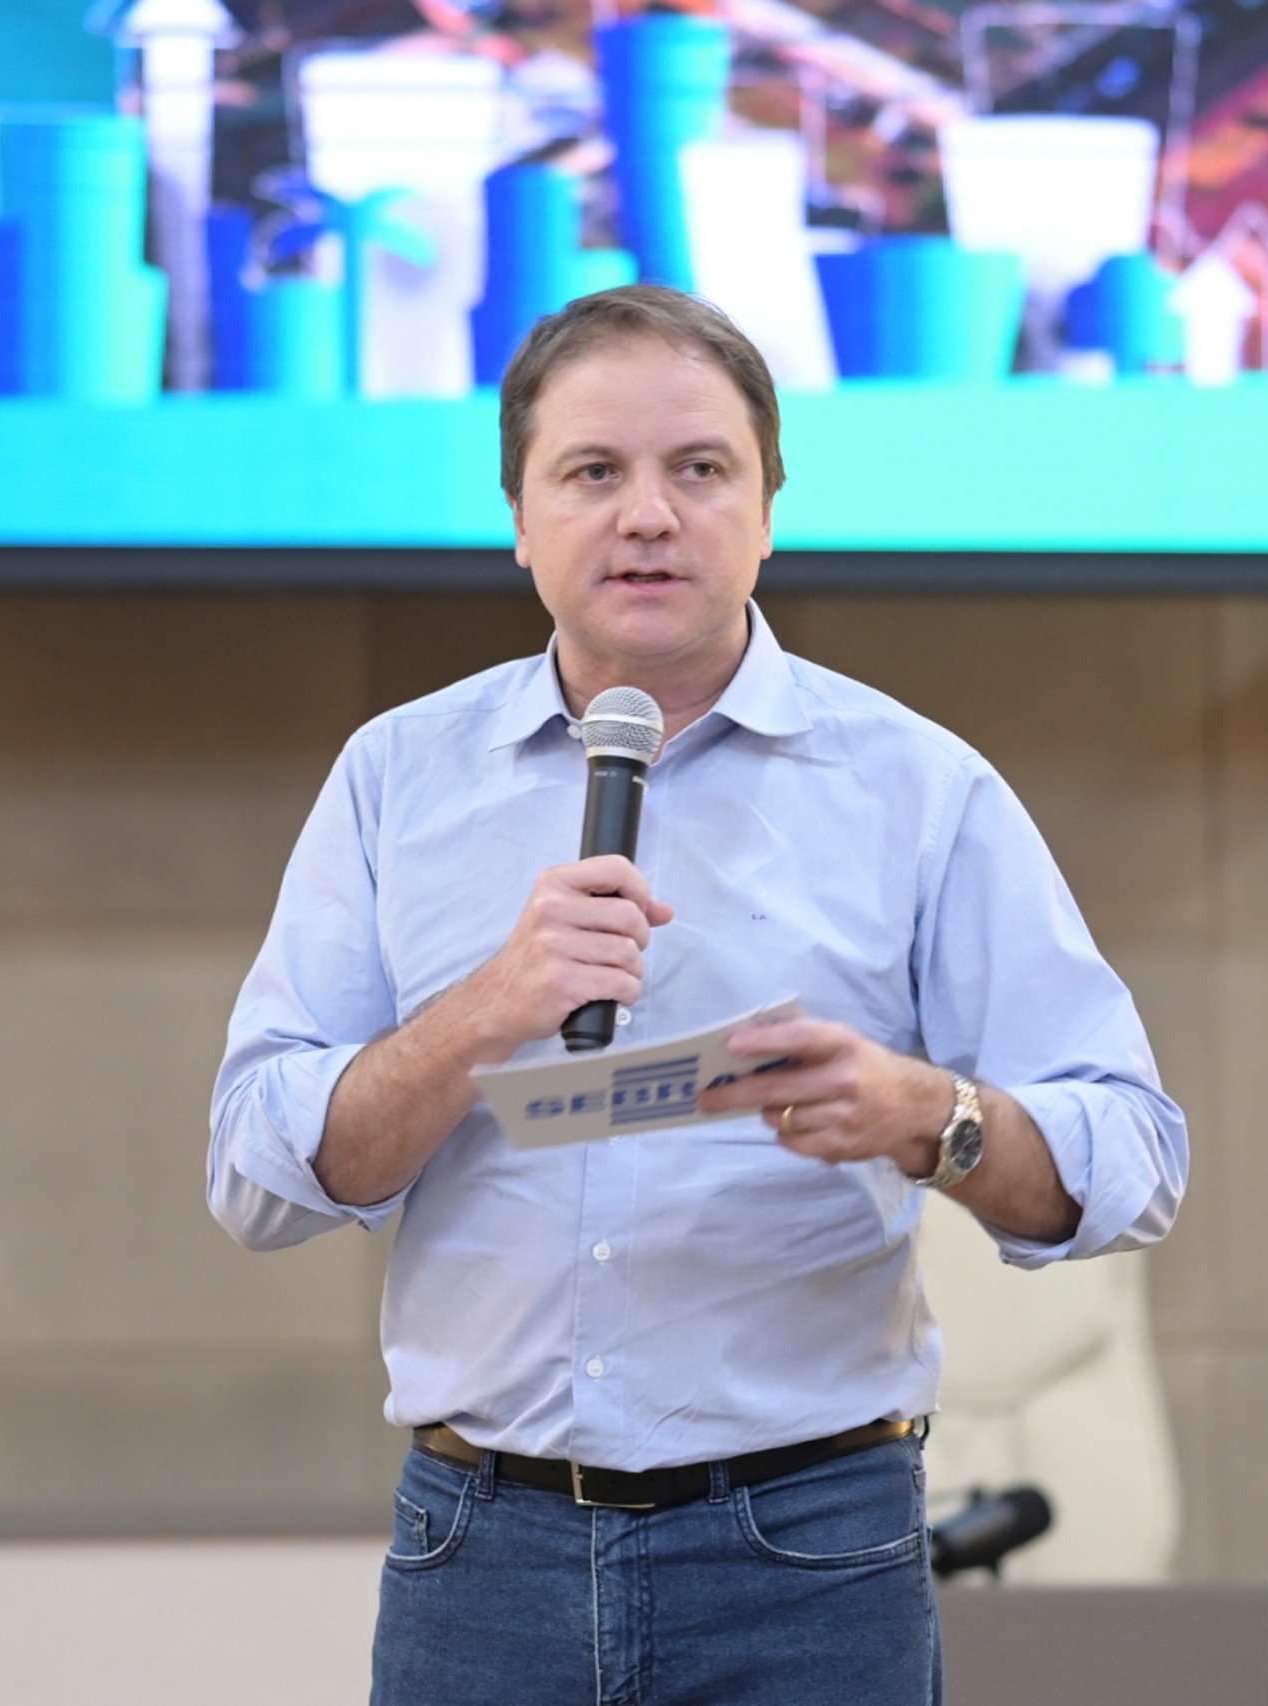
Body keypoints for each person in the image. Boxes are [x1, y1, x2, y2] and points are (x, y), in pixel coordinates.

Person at [208, 285, 1186, 1706]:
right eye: (593, 472)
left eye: (701, 468)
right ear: (520, 516)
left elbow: (1134, 1159)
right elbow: (259, 1179)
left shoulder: (916, 787)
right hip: (482, 1551)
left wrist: (931, 1116)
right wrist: (488, 1009)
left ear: (769, 508)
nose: (649, 516)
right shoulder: (397, 779)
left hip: (807, 1555)